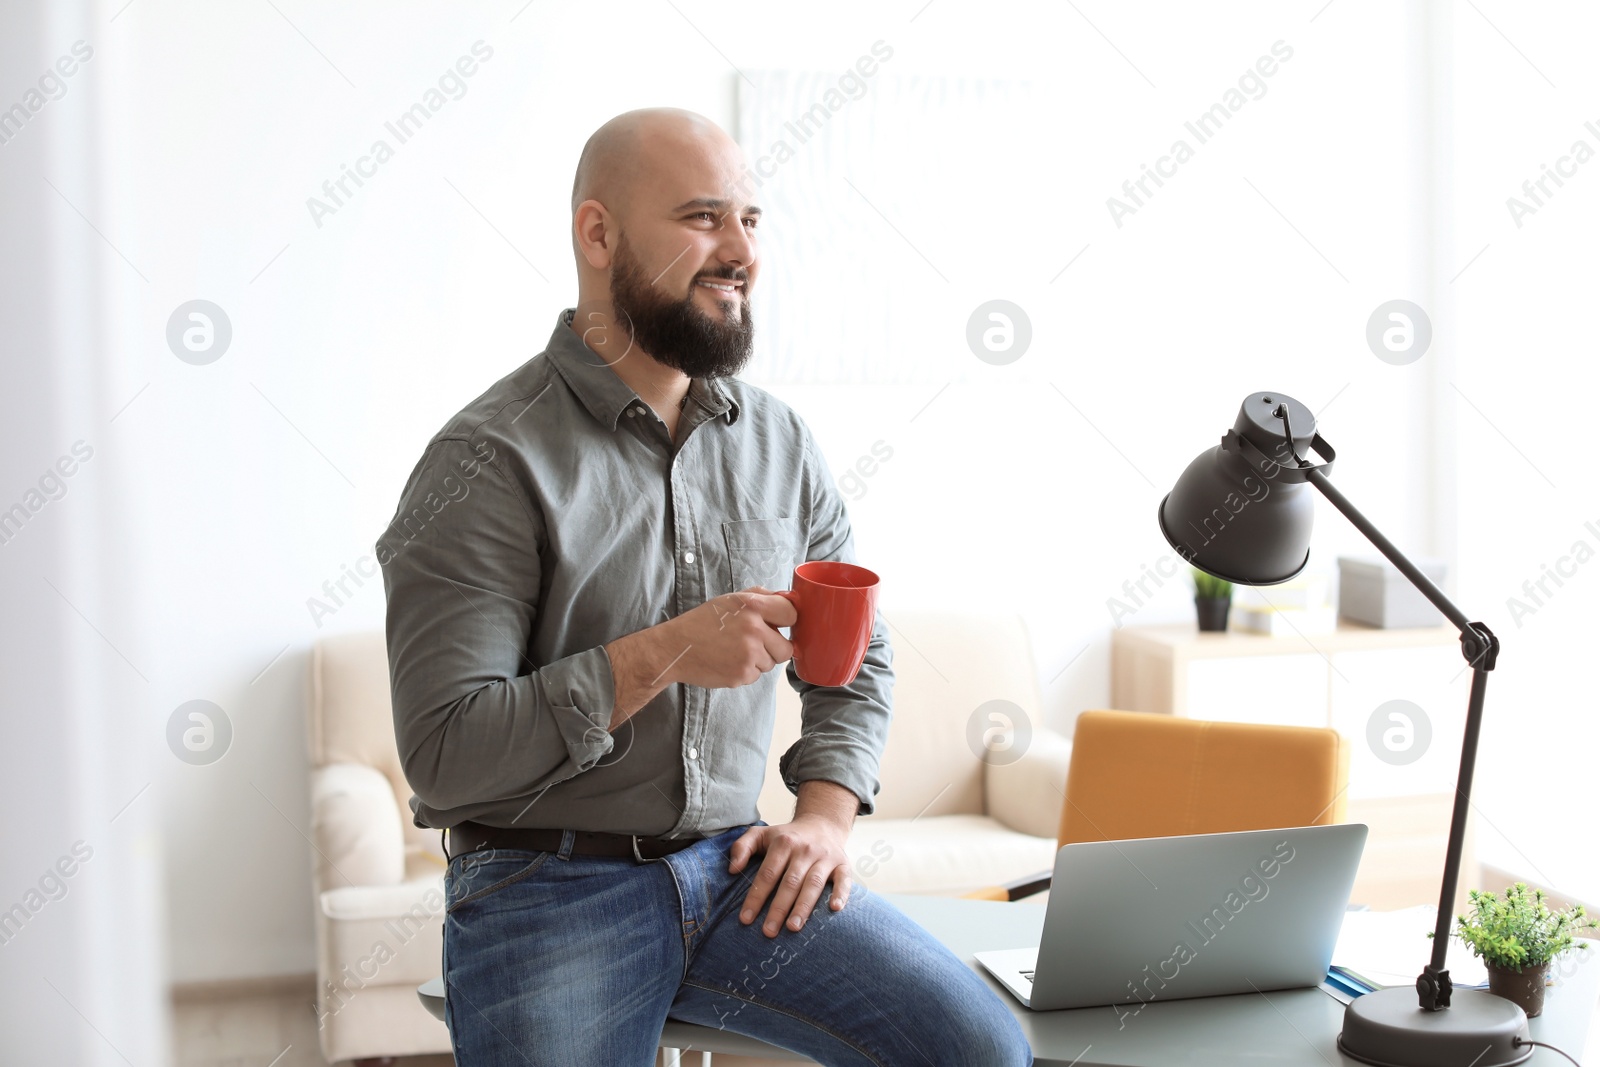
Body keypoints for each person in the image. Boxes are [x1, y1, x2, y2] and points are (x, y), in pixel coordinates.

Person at [379, 107, 1032, 1067]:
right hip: (545, 886)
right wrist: (667, 651)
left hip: (737, 873)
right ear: (597, 234)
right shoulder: (485, 461)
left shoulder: (780, 443)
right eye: (702, 219)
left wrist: (823, 815)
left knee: (977, 1047)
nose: (741, 253)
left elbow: (856, 657)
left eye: (752, 221)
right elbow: (443, 754)